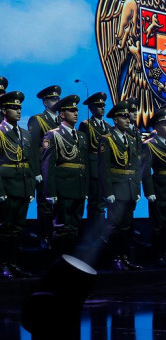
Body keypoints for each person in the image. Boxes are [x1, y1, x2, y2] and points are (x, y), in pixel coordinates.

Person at [41, 94, 88, 256]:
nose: (76, 113)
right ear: (62, 114)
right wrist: (50, 192)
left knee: (74, 227)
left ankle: (71, 261)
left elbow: (84, 165)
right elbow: (48, 165)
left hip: (78, 188)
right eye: (71, 110)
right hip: (63, 188)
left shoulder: (81, 136)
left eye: (76, 110)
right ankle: (60, 261)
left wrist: (86, 189)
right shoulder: (53, 135)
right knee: (62, 228)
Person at [99, 100, 142, 271]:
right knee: (115, 226)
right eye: (123, 117)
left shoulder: (130, 140)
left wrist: (137, 189)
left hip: (129, 188)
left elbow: (135, 167)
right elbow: (104, 168)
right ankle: (115, 257)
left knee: (126, 226)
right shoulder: (107, 139)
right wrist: (108, 191)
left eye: (127, 117)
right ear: (115, 120)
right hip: (116, 188)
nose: (127, 120)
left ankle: (124, 257)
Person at [0, 91, 35, 278]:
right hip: (6, 186)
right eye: (14, 107)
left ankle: (13, 263)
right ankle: (3, 265)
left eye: (19, 107)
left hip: (22, 186)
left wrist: (30, 189)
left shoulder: (25, 134)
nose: (18, 111)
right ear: (3, 110)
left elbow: (29, 163)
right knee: (5, 228)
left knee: (17, 229)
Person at [141, 106, 166, 267]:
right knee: (157, 226)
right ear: (157, 126)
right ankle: (157, 256)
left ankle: (165, 255)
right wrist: (149, 191)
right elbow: (145, 171)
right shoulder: (149, 145)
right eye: (164, 124)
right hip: (158, 188)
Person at [28, 84, 61, 249]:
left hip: (60, 169)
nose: (56, 101)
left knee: (59, 204)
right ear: (45, 102)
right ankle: (45, 236)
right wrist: (36, 171)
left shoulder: (62, 120)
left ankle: (57, 236)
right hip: (44, 168)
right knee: (45, 205)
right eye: (52, 99)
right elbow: (33, 147)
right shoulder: (37, 120)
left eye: (57, 99)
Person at [78, 91, 110, 237]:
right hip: (93, 168)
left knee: (103, 203)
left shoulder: (108, 126)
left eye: (103, 105)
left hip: (105, 169)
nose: (102, 108)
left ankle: (101, 235)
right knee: (94, 203)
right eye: (98, 106)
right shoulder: (86, 125)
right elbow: (84, 149)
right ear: (91, 108)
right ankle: (93, 236)